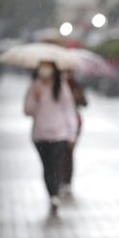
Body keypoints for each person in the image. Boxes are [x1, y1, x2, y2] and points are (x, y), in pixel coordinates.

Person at [24, 61, 78, 216]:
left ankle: (55, 194)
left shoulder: (61, 87)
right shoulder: (35, 86)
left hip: (59, 135)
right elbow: (28, 110)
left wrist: (71, 133)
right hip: (40, 136)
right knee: (47, 167)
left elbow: (69, 111)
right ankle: (53, 195)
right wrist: (35, 97)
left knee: (55, 165)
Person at [61, 70, 88, 195]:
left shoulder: (76, 84)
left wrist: (78, 97)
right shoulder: (56, 85)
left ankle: (67, 180)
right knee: (60, 152)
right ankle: (60, 177)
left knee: (69, 152)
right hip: (58, 123)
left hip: (75, 123)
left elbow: (85, 103)